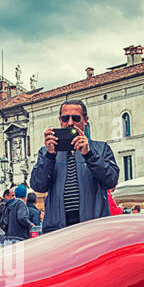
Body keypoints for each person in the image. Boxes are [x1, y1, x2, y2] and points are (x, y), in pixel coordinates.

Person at [29, 99, 119, 233]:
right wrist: (49, 156)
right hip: (58, 230)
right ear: (60, 120)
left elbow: (111, 180)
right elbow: (37, 185)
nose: (70, 123)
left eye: (76, 118)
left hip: (93, 228)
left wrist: (89, 154)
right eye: (65, 118)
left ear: (85, 120)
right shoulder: (46, 152)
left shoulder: (101, 149)